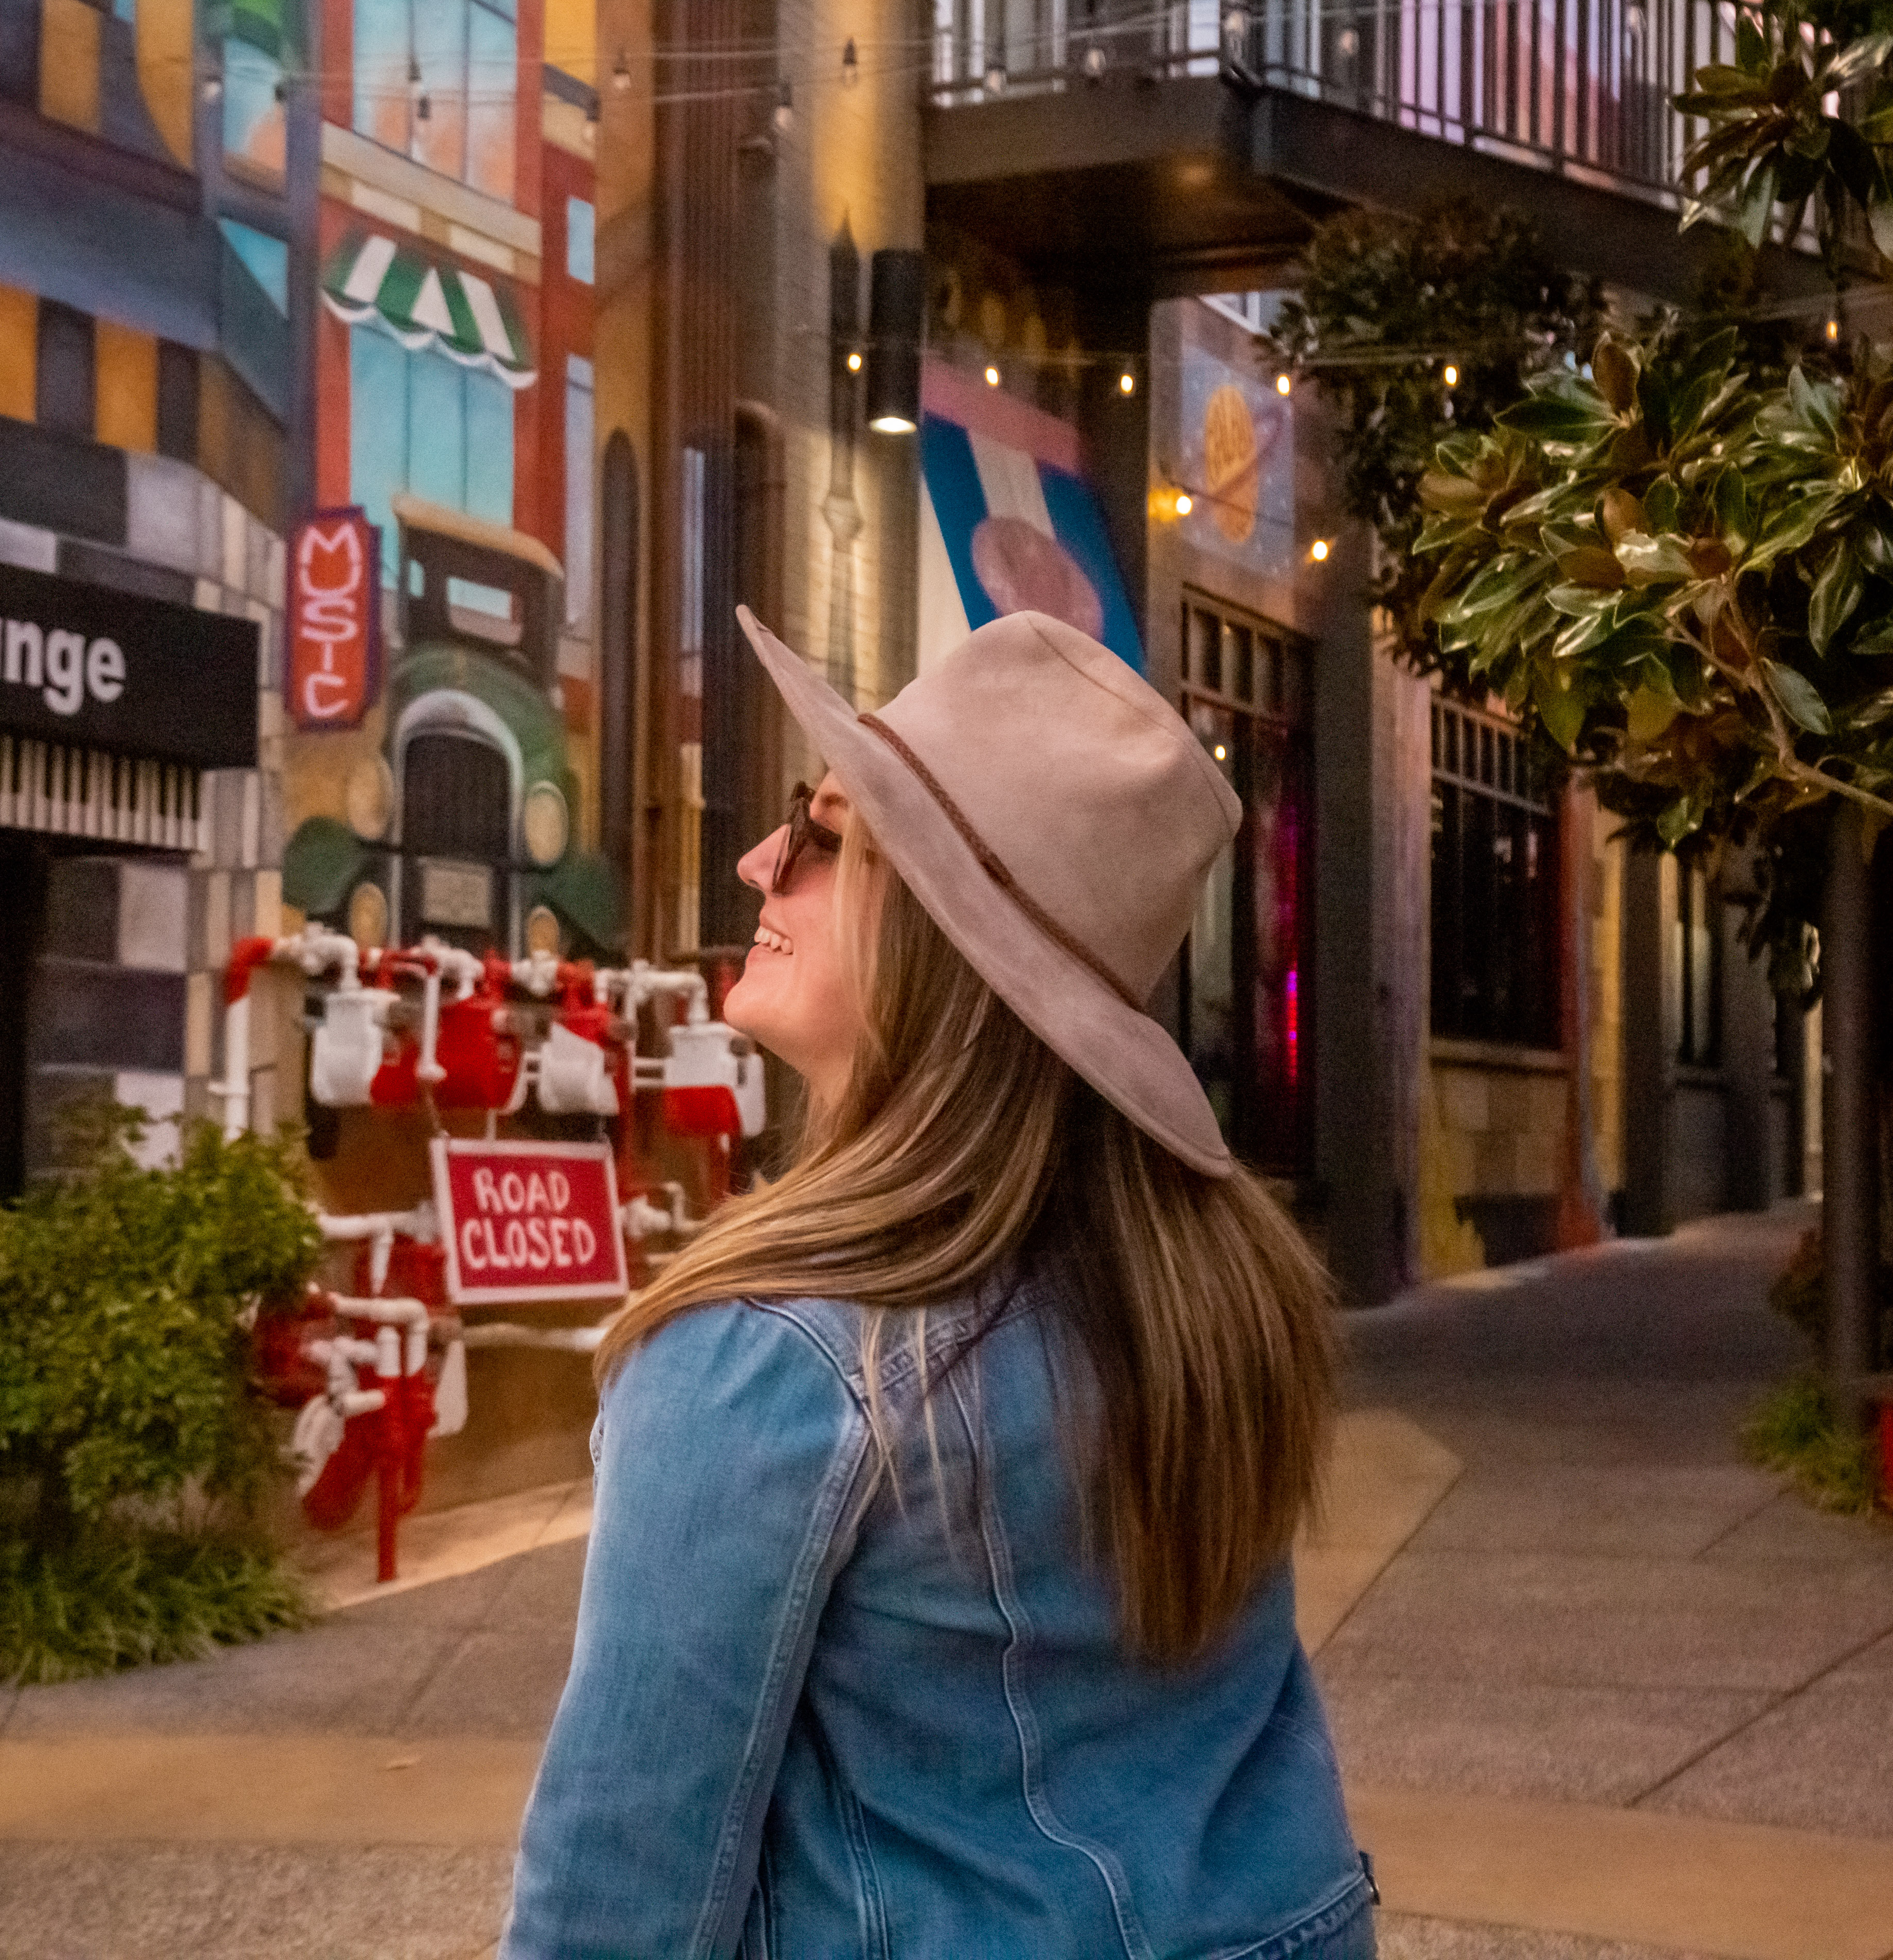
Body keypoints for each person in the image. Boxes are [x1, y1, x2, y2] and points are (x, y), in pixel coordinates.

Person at [501, 607, 1371, 1958]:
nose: (758, 860)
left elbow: (617, 1897)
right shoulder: (1215, 1298)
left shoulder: (765, 1359)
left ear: (941, 942)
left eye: (824, 838)